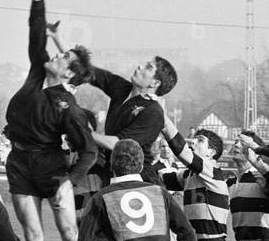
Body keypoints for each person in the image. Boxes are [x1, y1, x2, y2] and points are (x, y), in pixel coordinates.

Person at [3, 0, 98, 241]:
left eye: (64, 59)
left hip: (52, 169)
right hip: (20, 164)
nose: (56, 57)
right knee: (32, 234)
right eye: (59, 54)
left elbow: (88, 149)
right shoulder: (34, 73)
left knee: (70, 238)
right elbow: (34, 25)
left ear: (70, 75)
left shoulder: (68, 108)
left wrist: (70, 180)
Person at [46, 24, 177, 186]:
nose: (139, 66)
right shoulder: (122, 89)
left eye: (148, 67)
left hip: (138, 179)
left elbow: (119, 143)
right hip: (113, 172)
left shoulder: (153, 112)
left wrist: (83, 131)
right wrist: (56, 36)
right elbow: (85, 70)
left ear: (155, 83)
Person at [160, 116, 230, 241]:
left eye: (199, 140)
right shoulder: (190, 175)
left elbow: (182, 153)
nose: (193, 142)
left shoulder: (212, 170)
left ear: (211, 152)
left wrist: (164, 123)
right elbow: (158, 179)